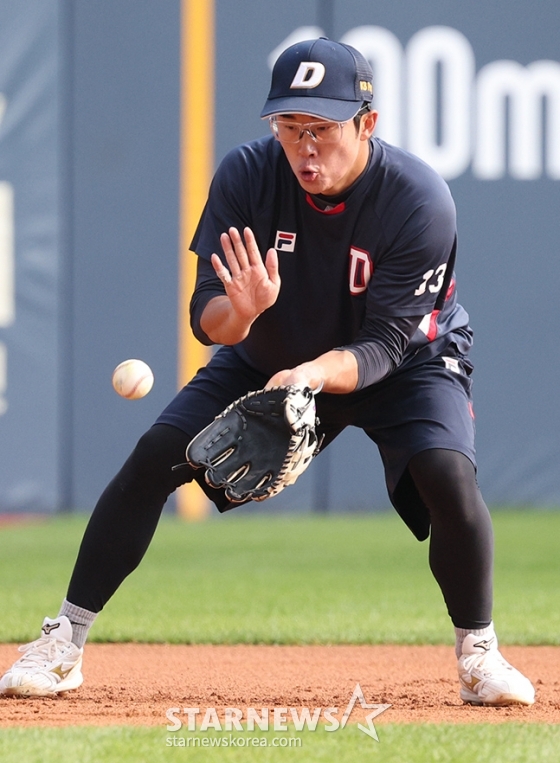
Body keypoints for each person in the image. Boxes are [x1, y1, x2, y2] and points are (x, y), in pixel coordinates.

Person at [0, 38, 534, 707]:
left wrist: (312, 372)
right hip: (274, 352)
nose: (305, 147)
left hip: (407, 363)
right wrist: (243, 313)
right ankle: (63, 643)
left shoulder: (418, 199)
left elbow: (385, 345)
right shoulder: (248, 176)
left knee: (448, 476)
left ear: (367, 124)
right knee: (153, 457)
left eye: (322, 129)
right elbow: (208, 319)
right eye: (289, 127)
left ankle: (478, 654)